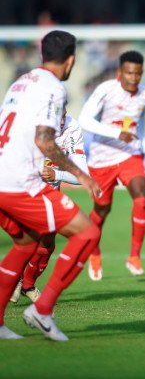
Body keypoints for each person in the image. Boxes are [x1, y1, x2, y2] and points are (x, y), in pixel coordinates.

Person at [0, 30, 101, 341]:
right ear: (70, 60)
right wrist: (80, 174)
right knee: (87, 232)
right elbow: (45, 140)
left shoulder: (20, 81)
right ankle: (42, 310)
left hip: (3, 176)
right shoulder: (54, 88)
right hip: (19, 182)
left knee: (26, 244)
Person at [79, 51, 145, 281]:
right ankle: (94, 251)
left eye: (137, 73)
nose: (133, 78)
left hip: (130, 154)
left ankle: (134, 256)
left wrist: (143, 143)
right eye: (129, 72)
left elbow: (140, 120)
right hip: (102, 158)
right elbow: (84, 120)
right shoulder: (105, 90)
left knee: (141, 197)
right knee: (102, 209)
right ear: (120, 72)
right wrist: (116, 133)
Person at [10, 108, 88, 304]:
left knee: (47, 244)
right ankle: (14, 283)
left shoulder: (72, 128)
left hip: (51, 195)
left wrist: (57, 175)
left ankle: (26, 284)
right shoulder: (29, 127)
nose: (58, 122)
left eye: (61, 116)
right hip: (24, 191)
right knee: (28, 240)